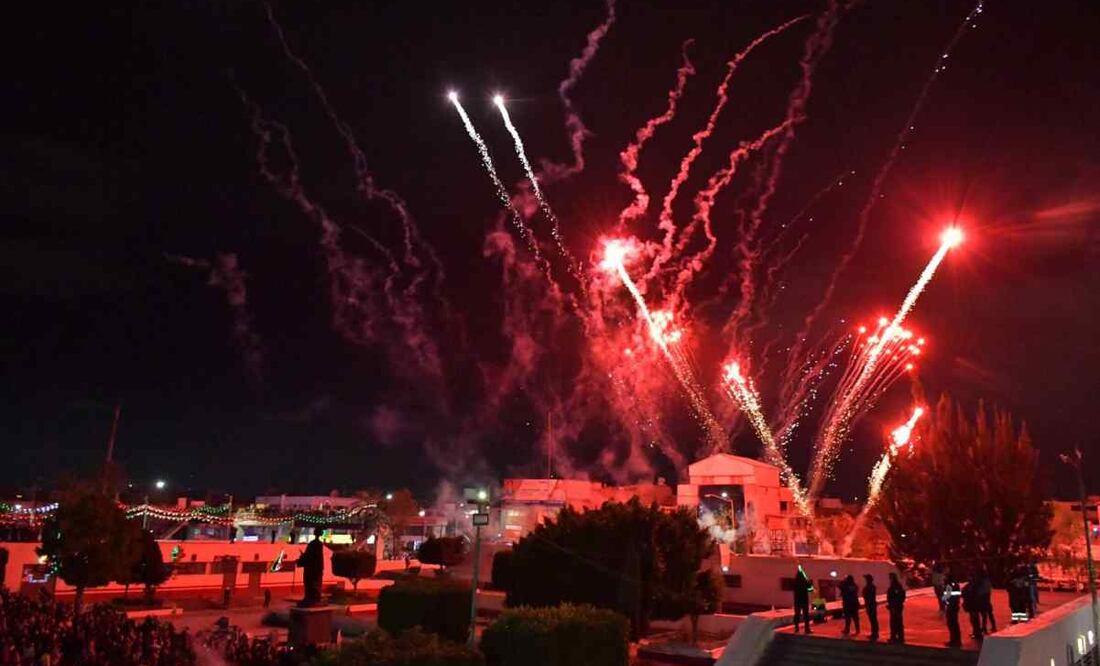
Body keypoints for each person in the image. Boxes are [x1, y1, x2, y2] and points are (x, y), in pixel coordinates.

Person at [297, 527, 325, 607]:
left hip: (312, 569)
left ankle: (311, 598)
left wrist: (303, 558)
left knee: (310, 584)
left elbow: (312, 556)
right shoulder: (317, 544)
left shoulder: (314, 544)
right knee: (311, 584)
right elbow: (318, 558)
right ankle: (311, 598)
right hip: (315, 568)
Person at [792, 566, 813, 633]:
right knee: (806, 615)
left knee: (797, 615)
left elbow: (792, 588)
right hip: (804, 600)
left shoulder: (795, 582)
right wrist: (809, 582)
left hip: (797, 601)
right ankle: (807, 629)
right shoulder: (805, 582)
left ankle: (796, 628)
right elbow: (810, 589)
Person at [962, 572, 982, 641]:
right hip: (973, 605)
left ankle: (977, 633)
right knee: (973, 619)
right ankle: (976, 632)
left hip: (973, 605)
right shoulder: (971, 585)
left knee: (974, 620)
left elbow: (967, 593)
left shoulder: (973, 586)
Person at [944, 573, 962, 647]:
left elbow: (946, 597)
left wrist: (945, 602)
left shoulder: (949, 586)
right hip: (955, 606)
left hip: (951, 607)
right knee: (955, 624)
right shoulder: (956, 585)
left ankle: (953, 640)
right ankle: (957, 640)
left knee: (951, 624)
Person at [887, 572, 906, 643]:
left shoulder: (895, 587)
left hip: (896, 607)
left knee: (895, 622)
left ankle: (896, 637)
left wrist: (893, 606)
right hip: (896, 606)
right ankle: (897, 637)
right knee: (896, 622)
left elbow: (896, 597)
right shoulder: (896, 586)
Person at [976, 567, 996, 634]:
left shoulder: (981, 582)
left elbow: (980, 591)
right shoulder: (987, 581)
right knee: (989, 614)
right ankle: (993, 626)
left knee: (984, 614)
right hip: (987, 599)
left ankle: (984, 628)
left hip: (983, 599)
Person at [862, 574, 879, 641]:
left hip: (870, 605)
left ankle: (874, 633)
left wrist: (868, 605)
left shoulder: (870, 587)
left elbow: (869, 597)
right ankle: (874, 632)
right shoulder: (871, 587)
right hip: (871, 604)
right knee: (873, 619)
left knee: (873, 619)